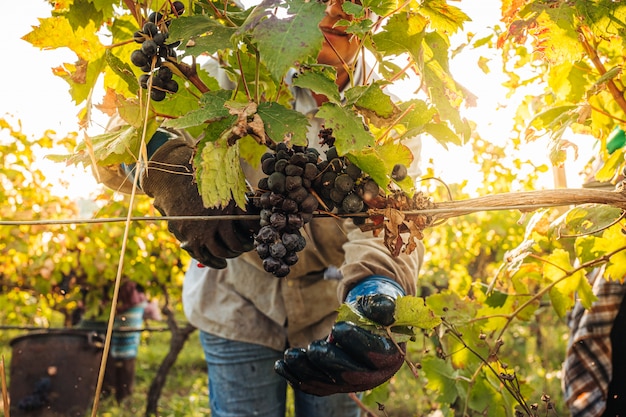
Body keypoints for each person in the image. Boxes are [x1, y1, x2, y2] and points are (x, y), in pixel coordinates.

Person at [96, 0, 423, 415]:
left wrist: (378, 289)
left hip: (334, 310)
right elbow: (119, 133)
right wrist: (166, 165)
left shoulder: (392, 115)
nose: (340, 8)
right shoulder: (232, 70)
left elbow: (387, 223)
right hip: (236, 299)